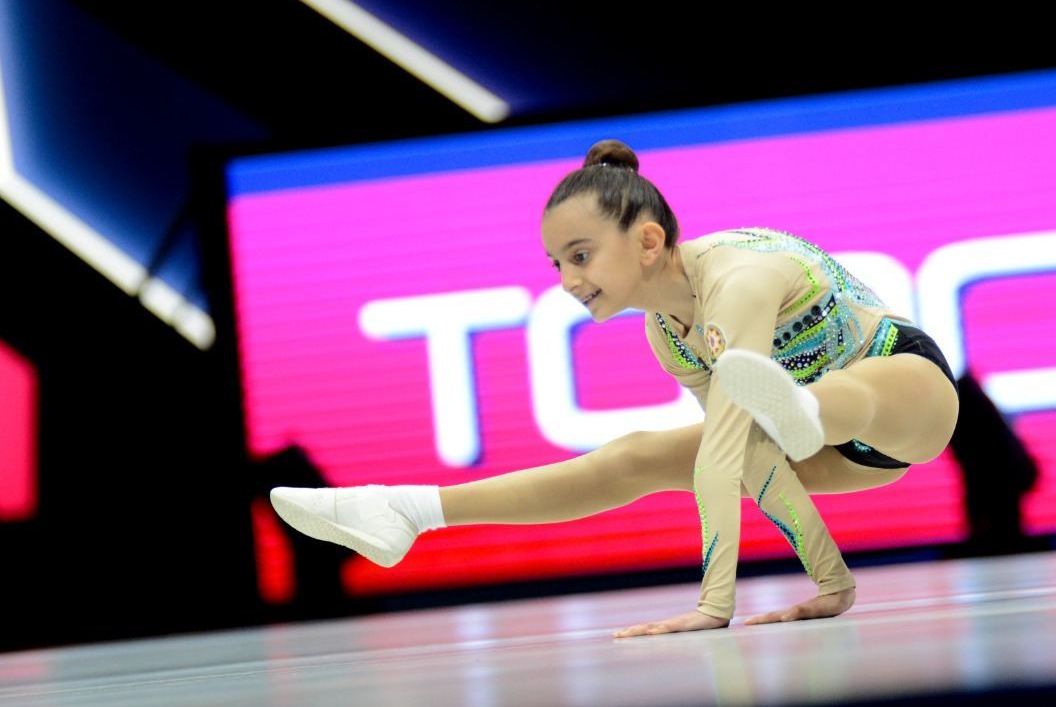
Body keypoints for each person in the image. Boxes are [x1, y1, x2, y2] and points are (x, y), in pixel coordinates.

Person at [270, 139, 960, 637]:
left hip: (906, 386)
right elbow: (749, 463)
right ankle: (408, 510)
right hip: (820, 452)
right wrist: (832, 581)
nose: (567, 282)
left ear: (649, 240)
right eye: (556, 263)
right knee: (637, 454)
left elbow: (724, 456)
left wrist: (712, 606)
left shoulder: (737, 281)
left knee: (851, 395)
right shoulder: (667, 331)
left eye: (580, 256)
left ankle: (808, 409)